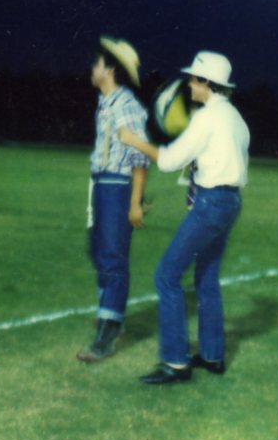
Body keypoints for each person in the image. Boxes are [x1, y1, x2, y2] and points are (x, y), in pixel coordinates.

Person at [119, 51, 249, 384]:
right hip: (230, 202)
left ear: (207, 82)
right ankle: (212, 355)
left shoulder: (206, 118)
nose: (189, 84)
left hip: (211, 202)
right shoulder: (235, 118)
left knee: (166, 276)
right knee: (207, 277)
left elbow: (168, 161)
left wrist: (134, 141)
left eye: (193, 79)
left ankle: (176, 362)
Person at [76, 36, 150, 363]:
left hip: (117, 186)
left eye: (96, 64)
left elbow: (140, 157)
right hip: (101, 185)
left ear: (109, 70)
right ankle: (110, 313)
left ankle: (107, 333)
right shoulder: (106, 103)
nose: (92, 69)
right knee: (96, 251)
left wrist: (135, 202)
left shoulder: (126, 105)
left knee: (113, 258)